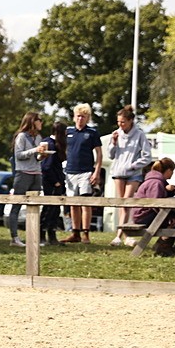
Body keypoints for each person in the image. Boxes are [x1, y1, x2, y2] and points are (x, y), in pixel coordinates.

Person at [133, 158, 175, 257]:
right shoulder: (156, 183)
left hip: (146, 213)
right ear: (168, 170)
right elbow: (157, 204)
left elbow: (161, 195)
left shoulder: (156, 181)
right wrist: (169, 217)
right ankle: (164, 247)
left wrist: (173, 188)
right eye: (172, 171)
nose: (172, 174)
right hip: (144, 216)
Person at [106, 105, 151, 247]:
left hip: (133, 174)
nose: (120, 125)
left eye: (123, 122)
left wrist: (133, 165)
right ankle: (125, 236)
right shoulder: (116, 133)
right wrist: (113, 143)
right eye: (118, 122)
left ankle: (120, 235)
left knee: (127, 202)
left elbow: (147, 156)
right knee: (122, 205)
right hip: (118, 173)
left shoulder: (140, 135)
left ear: (131, 120)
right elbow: (111, 155)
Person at [6, 112, 48, 247]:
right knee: (17, 205)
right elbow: (18, 155)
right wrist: (35, 150)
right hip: (23, 173)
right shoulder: (21, 136)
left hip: (36, 173)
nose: (41, 123)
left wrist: (42, 155)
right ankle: (14, 238)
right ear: (32, 121)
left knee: (34, 206)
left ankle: (33, 238)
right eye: (39, 120)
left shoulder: (39, 137)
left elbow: (36, 158)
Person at [62, 103, 102, 244]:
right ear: (74, 117)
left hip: (86, 171)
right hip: (70, 171)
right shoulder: (68, 132)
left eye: (83, 117)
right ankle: (75, 232)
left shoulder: (92, 133)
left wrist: (96, 171)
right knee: (73, 203)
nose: (80, 119)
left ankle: (86, 233)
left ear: (88, 118)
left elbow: (99, 153)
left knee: (85, 202)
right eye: (78, 116)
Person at [40, 121, 68, 246]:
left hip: (58, 180)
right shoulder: (49, 144)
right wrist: (55, 181)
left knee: (55, 210)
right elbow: (46, 167)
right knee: (49, 209)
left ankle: (52, 235)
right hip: (51, 182)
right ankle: (41, 235)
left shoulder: (56, 144)